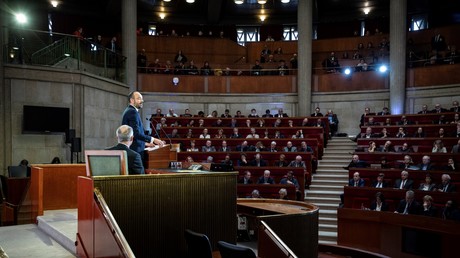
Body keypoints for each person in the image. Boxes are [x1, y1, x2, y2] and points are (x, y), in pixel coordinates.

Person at [122, 91, 165, 162]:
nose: (142, 101)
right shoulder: (132, 112)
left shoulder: (130, 111)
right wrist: (154, 139)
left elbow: (134, 136)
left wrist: (146, 144)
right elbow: (136, 134)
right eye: (139, 99)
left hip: (135, 149)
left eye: (142, 99)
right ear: (132, 100)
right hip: (135, 151)